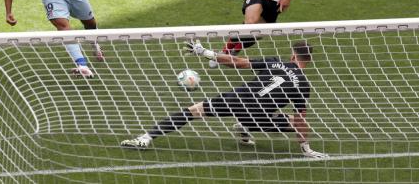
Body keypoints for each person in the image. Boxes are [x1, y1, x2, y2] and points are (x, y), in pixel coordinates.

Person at [121, 40, 328, 159]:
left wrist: (206, 53)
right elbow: (301, 121)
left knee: (193, 111)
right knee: (295, 121)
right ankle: (244, 126)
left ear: (292, 56)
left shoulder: (275, 62)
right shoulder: (303, 85)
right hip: (257, 114)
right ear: (307, 61)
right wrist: (306, 148)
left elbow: (237, 62)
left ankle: (146, 138)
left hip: (237, 98)